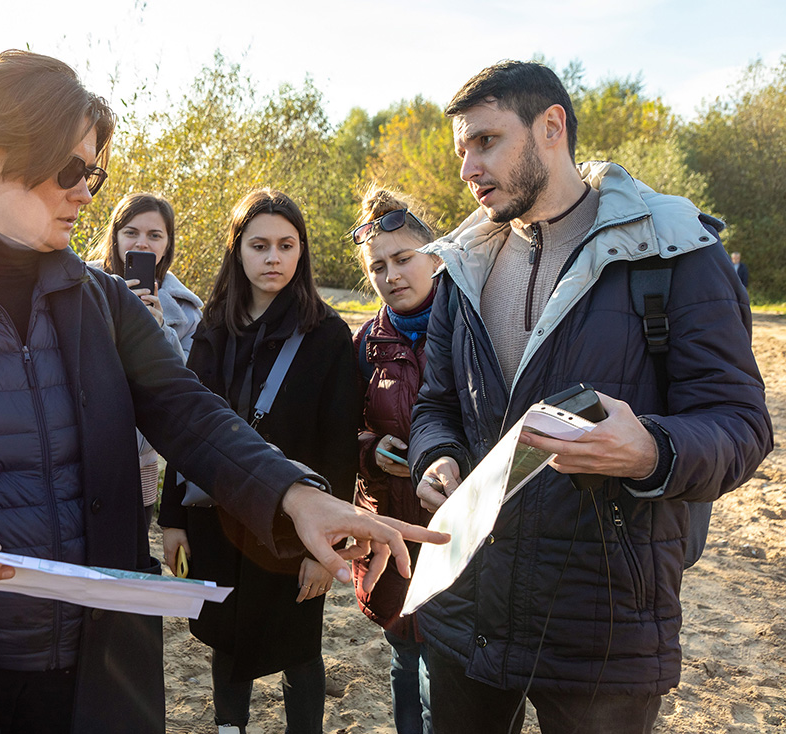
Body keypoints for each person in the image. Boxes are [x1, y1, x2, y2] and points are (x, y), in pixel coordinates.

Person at [0, 51, 445, 734]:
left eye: (93, 174)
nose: (85, 193)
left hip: (94, 674)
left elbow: (190, 412)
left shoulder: (102, 302)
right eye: (70, 170)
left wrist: (297, 495)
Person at [408, 60, 772, 734]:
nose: (468, 169)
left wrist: (652, 451)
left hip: (604, 621)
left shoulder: (674, 250)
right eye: (461, 150)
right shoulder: (461, 262)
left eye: (485, 141)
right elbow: (435, 405)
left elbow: (742, 424)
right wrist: (435, 458)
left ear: (551, 126)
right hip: (466, 606)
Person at [158, 188, 359, 734]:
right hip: (216, 516)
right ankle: (231, 728)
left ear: (302, 252)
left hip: (295, 528)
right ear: (238, 251)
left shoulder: (328, 335)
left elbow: (339, 449)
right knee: (225, 636)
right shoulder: (214, 329)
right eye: (260, 245)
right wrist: (172, 520)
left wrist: (326, 548)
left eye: (286, 245)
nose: (273, 258)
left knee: (299, 646)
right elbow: (184, 426)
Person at [350, 187, 438, 734]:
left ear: (435, 256)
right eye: (378, 267)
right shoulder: (365, 344)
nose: (392, 275)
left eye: (403, 258)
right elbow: (345, 429)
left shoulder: (472, 327)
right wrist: (371, 448)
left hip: (457, 532)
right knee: (406, 660)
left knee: (449, 677)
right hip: (392, 532)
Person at [86, 192, 203, 507]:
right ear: (115, 237)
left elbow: (182, 386)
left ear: (168, 244)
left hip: (139, 466)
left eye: (154, 235)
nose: (142, 243)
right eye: (131, 232)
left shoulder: (187, 312)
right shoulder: (79, 287)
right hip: (80, 458)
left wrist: (158, 329)